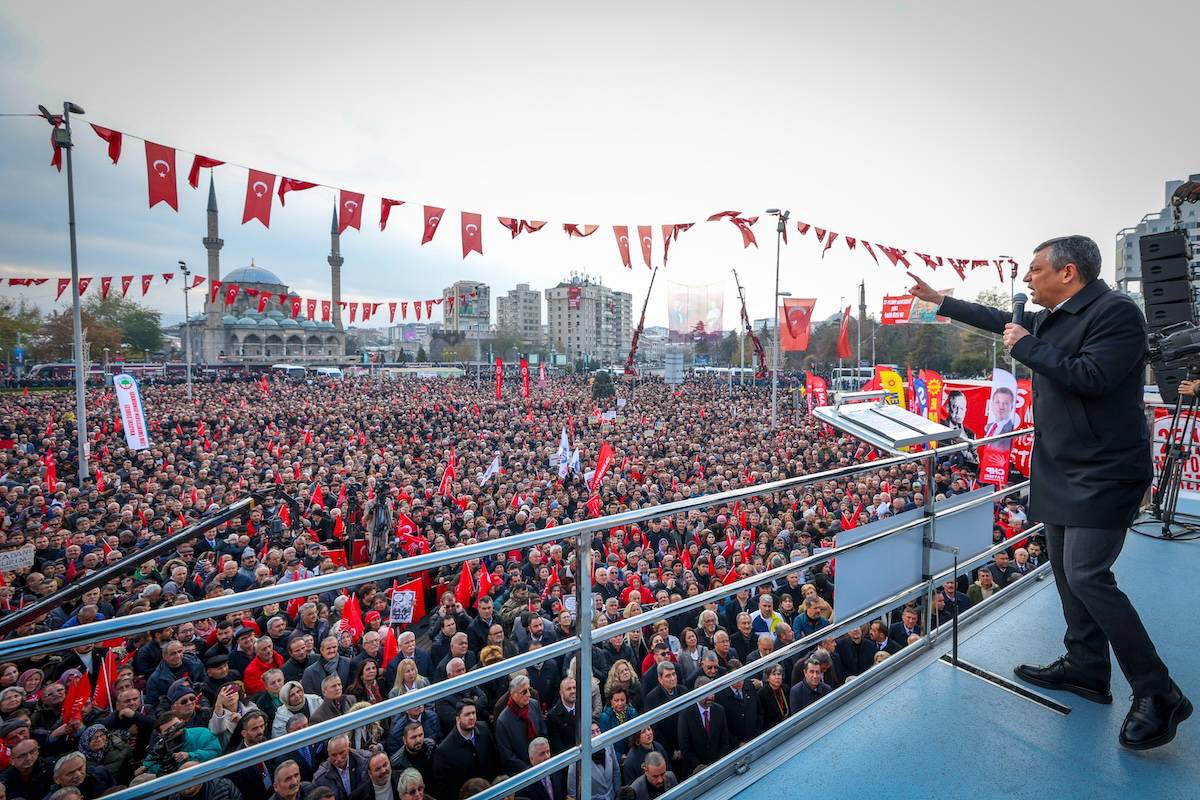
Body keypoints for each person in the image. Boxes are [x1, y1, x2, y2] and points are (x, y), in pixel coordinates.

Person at [910, 237, 1190, 750]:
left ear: (1068, 272)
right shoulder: (1055, 316)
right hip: (1061, 467)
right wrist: (940, 301)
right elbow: (1000, 321)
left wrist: (1026, 346)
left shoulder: (1116, 313)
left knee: (1087, 574)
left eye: (1035, 270)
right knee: (1063, 569)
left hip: (1105, 469)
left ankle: (1158, 691)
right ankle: (1086, 666)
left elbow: (1093, 377)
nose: (1026, 279)